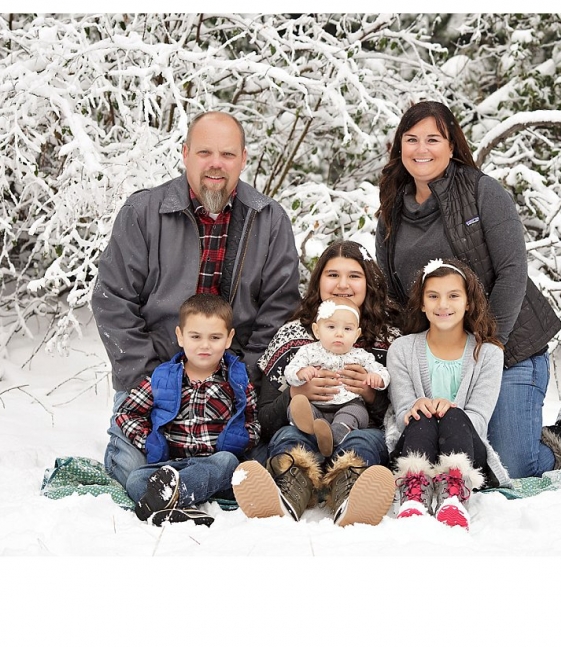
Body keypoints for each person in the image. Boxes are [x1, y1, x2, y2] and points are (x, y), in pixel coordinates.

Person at [375, 100, 561, 478]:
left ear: (452, 145)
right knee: (452, 452)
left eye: (433, 139)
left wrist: (490, 346)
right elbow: (393, 292)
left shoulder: (482, 192)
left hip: (509, 347)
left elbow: (513, 270)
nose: (422, 149)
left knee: (512, 464)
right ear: (399, 146)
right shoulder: (392, 208)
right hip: (442, 357)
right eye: (412, 139)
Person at [92, 110, 300, 488]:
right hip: (153, 374)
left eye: (228, 154)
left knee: (249, 467)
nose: (216, 164)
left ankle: (185, 482)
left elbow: (280, 309)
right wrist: (151, 378)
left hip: (231, 384)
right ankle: (175, 481)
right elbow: (112, 299)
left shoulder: (268, 220)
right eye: (205, 153)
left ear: (244, 158)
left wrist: (243, 378)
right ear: (185, 153)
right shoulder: (142, 213)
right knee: (131, 470)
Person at [231, 240, 399, 527]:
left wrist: (371, 396)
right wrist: (296, 393)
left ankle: (350, 497)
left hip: (356, 435)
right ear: (319, 280)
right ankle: (287, 495)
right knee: (288, 437)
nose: (342, 284)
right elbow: (265, 419)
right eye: (332, 274)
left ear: (369, 281)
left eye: (354, 276)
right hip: (304, 433)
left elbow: (399, 419)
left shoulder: (391, 339)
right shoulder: (292, 336)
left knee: (366, 441)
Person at [114, 294, 260, 526]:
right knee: (135, 480)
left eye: (215, 337)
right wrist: (148, 441)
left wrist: (243, 438)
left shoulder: (236, 381)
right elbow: (126, 413)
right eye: (195, 336)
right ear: (180, 336)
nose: (205, 345)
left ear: (229, 338)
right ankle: (179, 503)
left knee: (228, 462)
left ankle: (174, 495)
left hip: (214, 464)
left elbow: (252, 420)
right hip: (170, 465)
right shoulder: (162, 379)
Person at [387, 258, 511, 530]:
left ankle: (454, 498)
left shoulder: (488, 353)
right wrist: (417, 406)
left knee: (454, 417)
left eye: (453, 296)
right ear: (422, 303)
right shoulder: (401, 350)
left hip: (467, 451)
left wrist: (451, 409)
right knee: (421, 415)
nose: (442, 305)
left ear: (468, 302)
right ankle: (413, 499)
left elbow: (479, 420)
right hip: (415, 446)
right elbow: (400, 418)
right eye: (433, 296)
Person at [285, 296, 390, 458]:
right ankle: (311, 428)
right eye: (331, 327)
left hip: (348, 404)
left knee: (355, 413)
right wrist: (300, 374)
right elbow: (290, 371)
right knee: (297, 406)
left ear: (357, 334)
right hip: (317, 406)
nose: (339, 334)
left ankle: (333, 436)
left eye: (347, 329)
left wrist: (378, 378)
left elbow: (382, 371)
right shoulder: (309, 351)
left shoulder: (360, 355)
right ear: (317, 330)